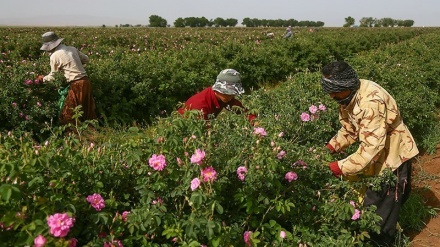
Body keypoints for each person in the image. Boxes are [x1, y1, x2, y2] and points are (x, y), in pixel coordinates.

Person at [320, 61, 419, 246]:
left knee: (381, 207)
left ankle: (382, 240)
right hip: (376, 151)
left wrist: (338, 167)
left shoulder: (370, 102)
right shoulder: (347, 96)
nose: (331, 95)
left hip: (393, 155)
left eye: (335, 91)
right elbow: (350, 129)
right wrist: (331, 146)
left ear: (346, 85)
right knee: (377, 201)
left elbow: (370, 150)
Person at [37, 31, 96, 125]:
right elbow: (86, 59)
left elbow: (53, 76)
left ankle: (74, 134)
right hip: (86, 81)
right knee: (86, 111)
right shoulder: (72, 49)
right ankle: (90, 133)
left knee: (69, 114)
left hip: (76, 85)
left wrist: (42, 79)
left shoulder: (54, 56)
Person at [178, 69, 256, 122]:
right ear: (219, 90)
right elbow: (204, 130)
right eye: (229, 94)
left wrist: (255, 122)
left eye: (233, 94)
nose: (231, 97)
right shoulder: (200, 104)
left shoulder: (224, 97)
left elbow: (243, 112)